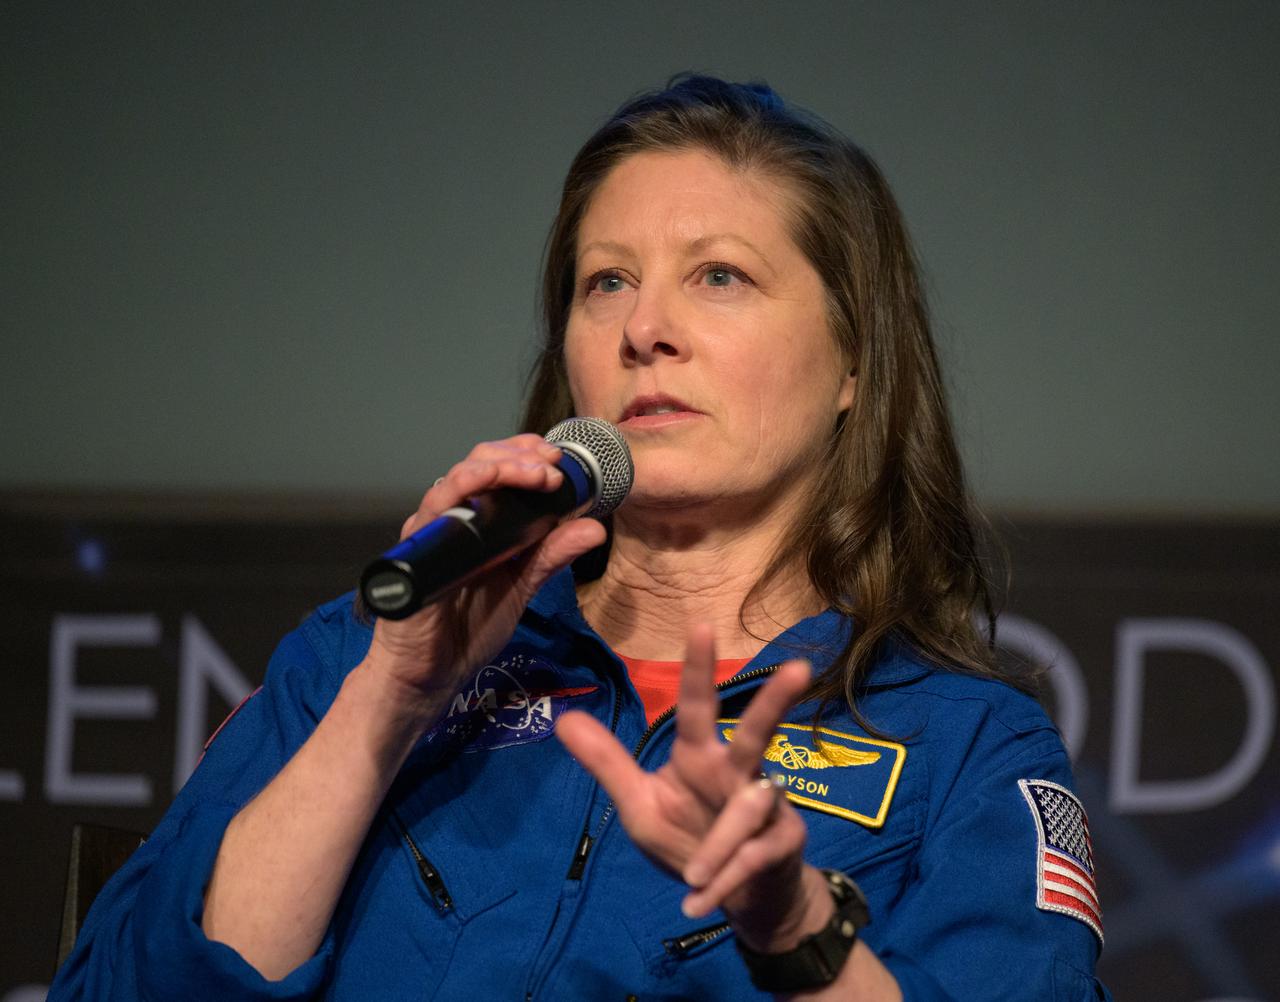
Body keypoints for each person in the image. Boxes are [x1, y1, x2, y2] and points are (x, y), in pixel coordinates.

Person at [50, 75, 1111, 1000]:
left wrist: (796, 935)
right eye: (604, 280)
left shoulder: (964, 750)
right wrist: (388, 703)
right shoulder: (357, 655)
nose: (642, 329)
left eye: (718, 276)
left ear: (850, 364)